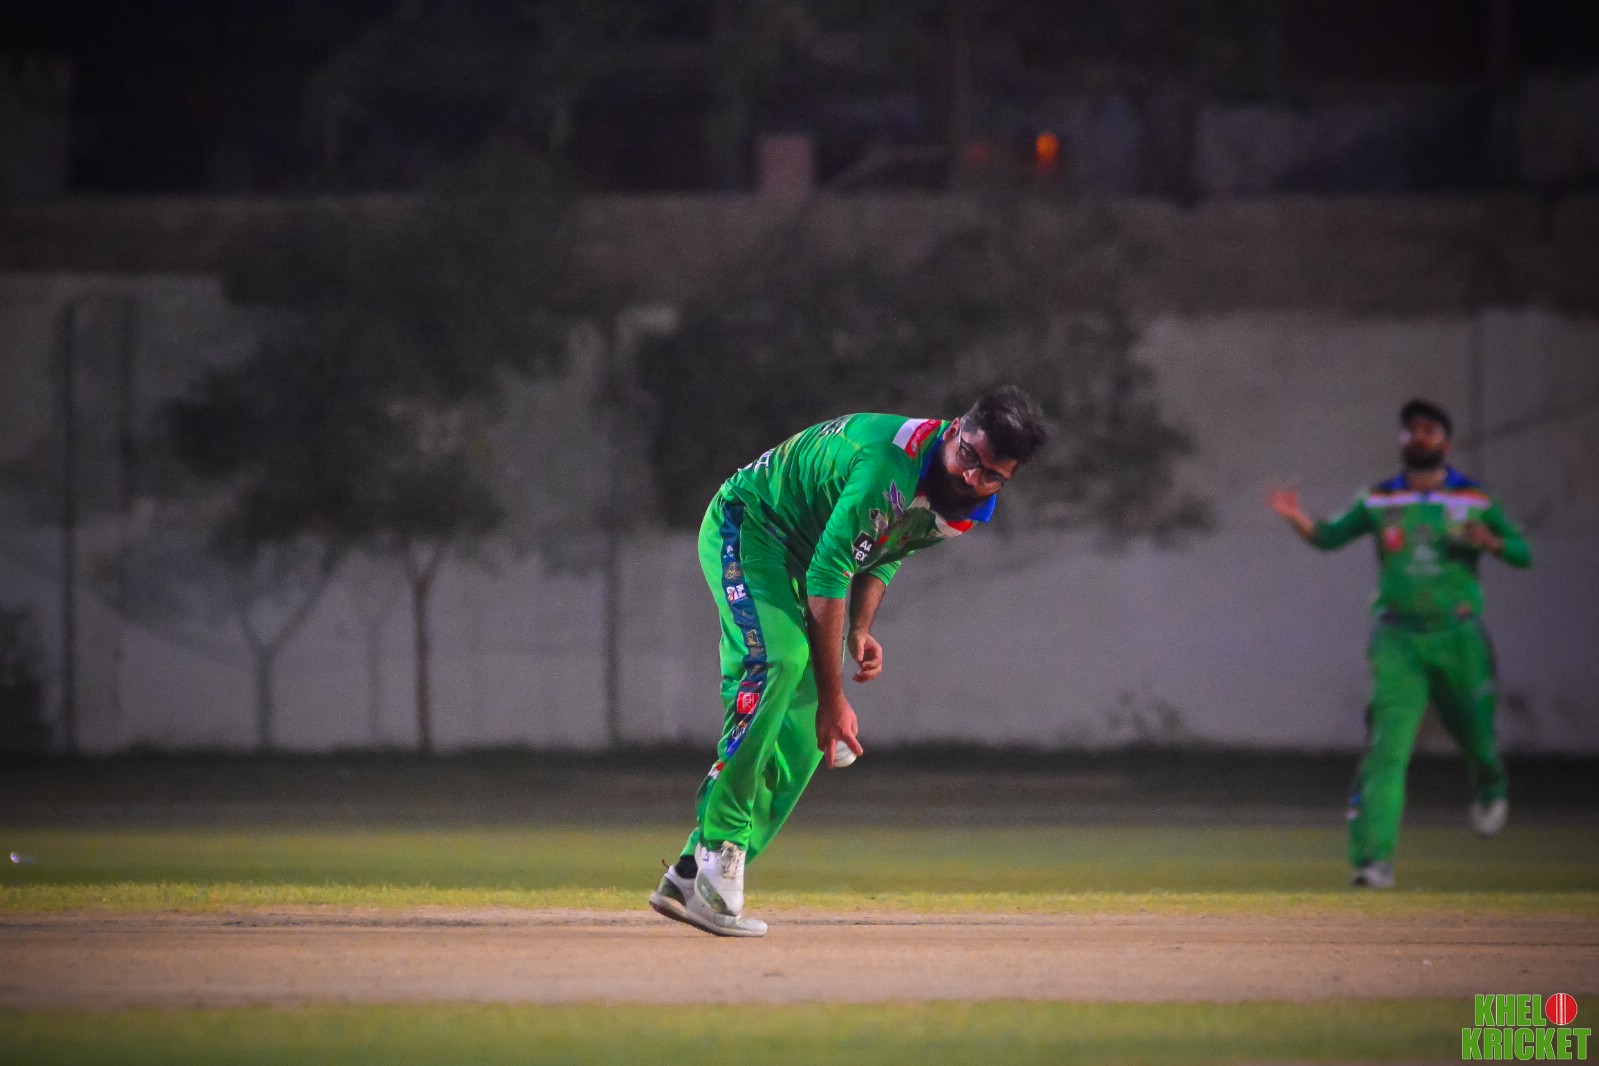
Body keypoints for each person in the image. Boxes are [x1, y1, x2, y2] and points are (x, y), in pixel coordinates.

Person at [649, 385, 1048, 936]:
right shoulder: (888, 466)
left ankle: (691, 874)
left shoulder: (966, 506)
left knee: (804, 737)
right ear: (957, 428)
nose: (971, 477)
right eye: (968, 457)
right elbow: (829, 573)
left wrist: (860, 627)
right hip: (752, 524)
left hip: (807, 560)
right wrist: (834, 698)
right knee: (782, 662)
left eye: (991, 475)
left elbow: (886, 550)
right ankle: (720, 850)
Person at [1266, 398, 1532, 889]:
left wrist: (1492, 542)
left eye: (1429, 430)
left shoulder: (1474, 500)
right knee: (1387, 751)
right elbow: (1328, 537)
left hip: (1459, 637)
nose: (1419, 437)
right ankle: (1374, 860)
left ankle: (1489, 786)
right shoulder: (1380, 499)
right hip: (1399, 640)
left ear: (1446, 443)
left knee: (1478, 740)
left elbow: (1523, 552)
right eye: (1412, 430)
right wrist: (1295, 516)